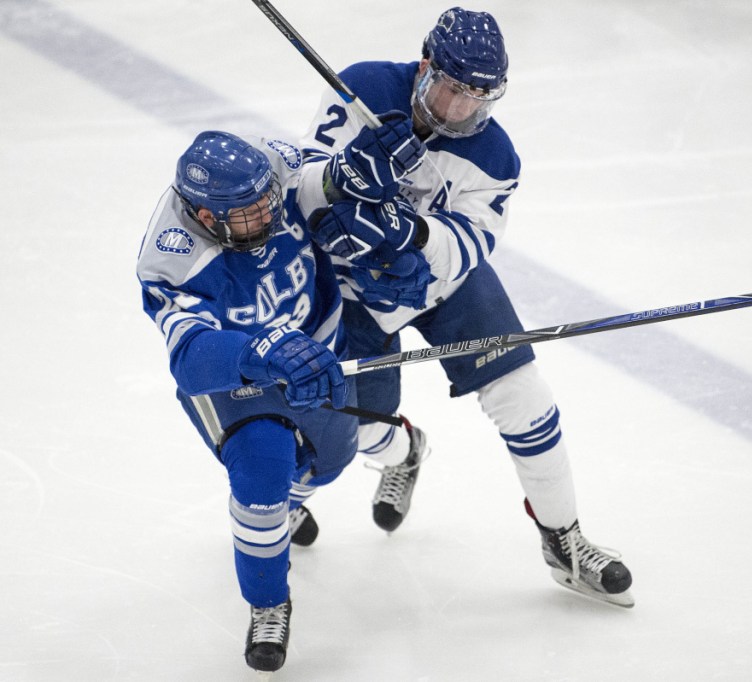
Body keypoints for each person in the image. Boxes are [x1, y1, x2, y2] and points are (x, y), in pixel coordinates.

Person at [299, 7, 634, 607]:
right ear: (426, 65)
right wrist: (348, 176)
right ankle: (406, 451)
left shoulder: (496, 156)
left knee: (524, 395)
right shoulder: (365, 88)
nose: (461, 110)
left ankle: (566, 539)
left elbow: (473, 241)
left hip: (440, 282)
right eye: (452, 88)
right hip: (351, 287)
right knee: (364, 431)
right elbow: (305, 186)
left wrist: (414, 237)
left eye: (478, 96)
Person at [135, 130, 428, 673]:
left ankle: (404, 449)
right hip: (237, 377)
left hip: (319, 348)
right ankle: (268, 603)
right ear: (205, 215)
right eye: (247, 214)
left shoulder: (272, 167)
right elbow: (191, 357)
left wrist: (354, 179)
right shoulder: (171, 256)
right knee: (260, 482)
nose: (265, 217)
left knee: (335, 458)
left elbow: (327, 188)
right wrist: (263, 347)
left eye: (264, 203)